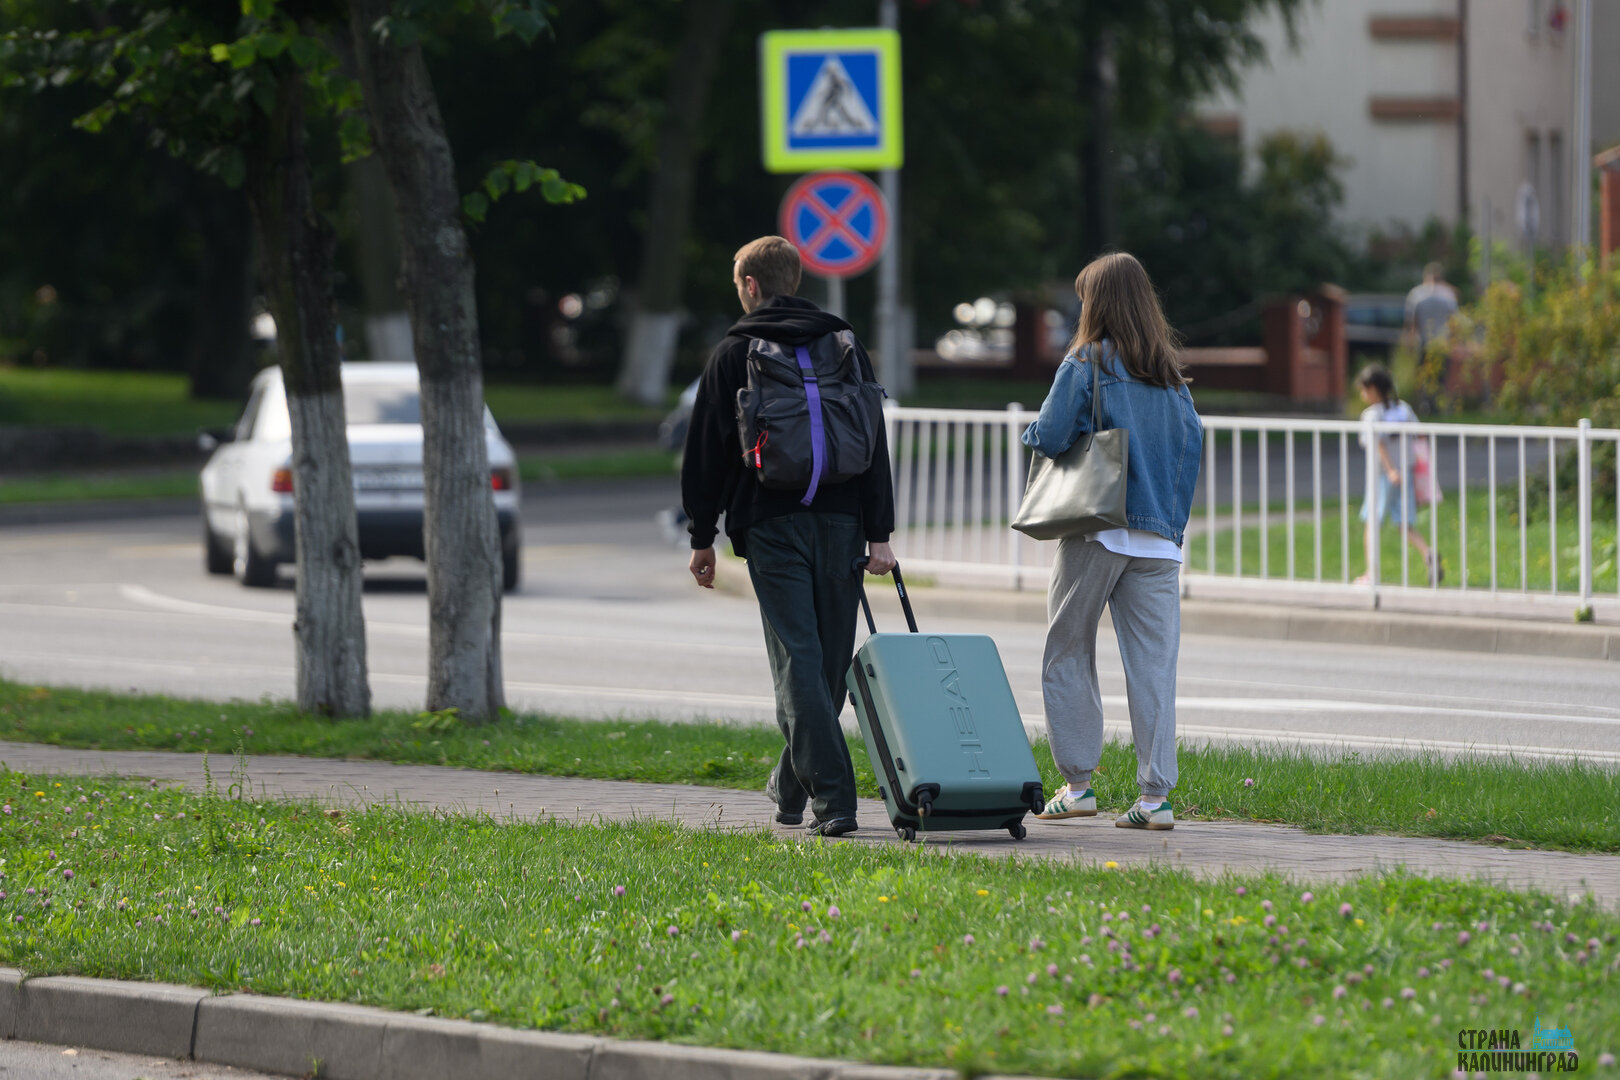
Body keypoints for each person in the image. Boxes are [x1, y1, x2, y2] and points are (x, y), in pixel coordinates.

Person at [681, 236, 897, 837]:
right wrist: (879, 533)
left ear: (750, 285)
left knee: (801, 661)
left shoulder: (734, 351)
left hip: (770, 522)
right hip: (842, 520)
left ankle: (828, 798)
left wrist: (702, 535)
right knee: (823, 665)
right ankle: (800, 786)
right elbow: (873, 442)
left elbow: (706, 453)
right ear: (795, 280)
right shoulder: (844, 341)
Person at [1022, 252, 1202, 832]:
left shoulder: (1087, 362)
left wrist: (1032, 432)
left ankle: (1078, 786)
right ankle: (1155, 799)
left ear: (1096, 304)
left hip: (1099, 529)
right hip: (1160, 542)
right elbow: (1191, 449)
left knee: (1068, 649)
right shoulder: (1169, 375)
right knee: (1154, 668)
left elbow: (1051, 435)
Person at [1355, 363, 1440, 585]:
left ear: (1373, 389)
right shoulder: (1403, 409)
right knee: (1403, 522)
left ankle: (1371, 574)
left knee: (1372, 523)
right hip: (1407, 471)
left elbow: (1378, 443)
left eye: (1364, 389)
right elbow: (1419, 434)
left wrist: (1390, 469)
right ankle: (1428, 553)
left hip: (1384, 475)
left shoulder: (1371, 415)